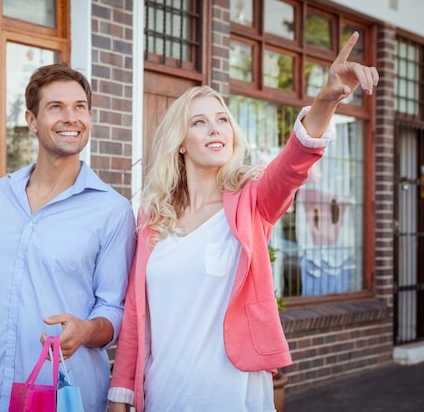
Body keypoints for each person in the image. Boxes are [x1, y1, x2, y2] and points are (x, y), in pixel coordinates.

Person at [107, 32, 378, 412]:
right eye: (199, 122)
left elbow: (293, 166)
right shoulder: (152, 218)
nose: (215, 128)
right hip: (163, 393)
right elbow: (136, 317)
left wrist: (326, 98)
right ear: (181, 141)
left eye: (222, 119)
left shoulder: (251, 200)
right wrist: (119, 396)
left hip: (231, 396)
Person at [0, 63, 137, 412]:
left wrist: (84, 330)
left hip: (64, 395)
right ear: (32, 121)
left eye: (80, 107)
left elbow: (115, 309)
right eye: (56, 107)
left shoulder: (112, 210)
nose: (71, 117)